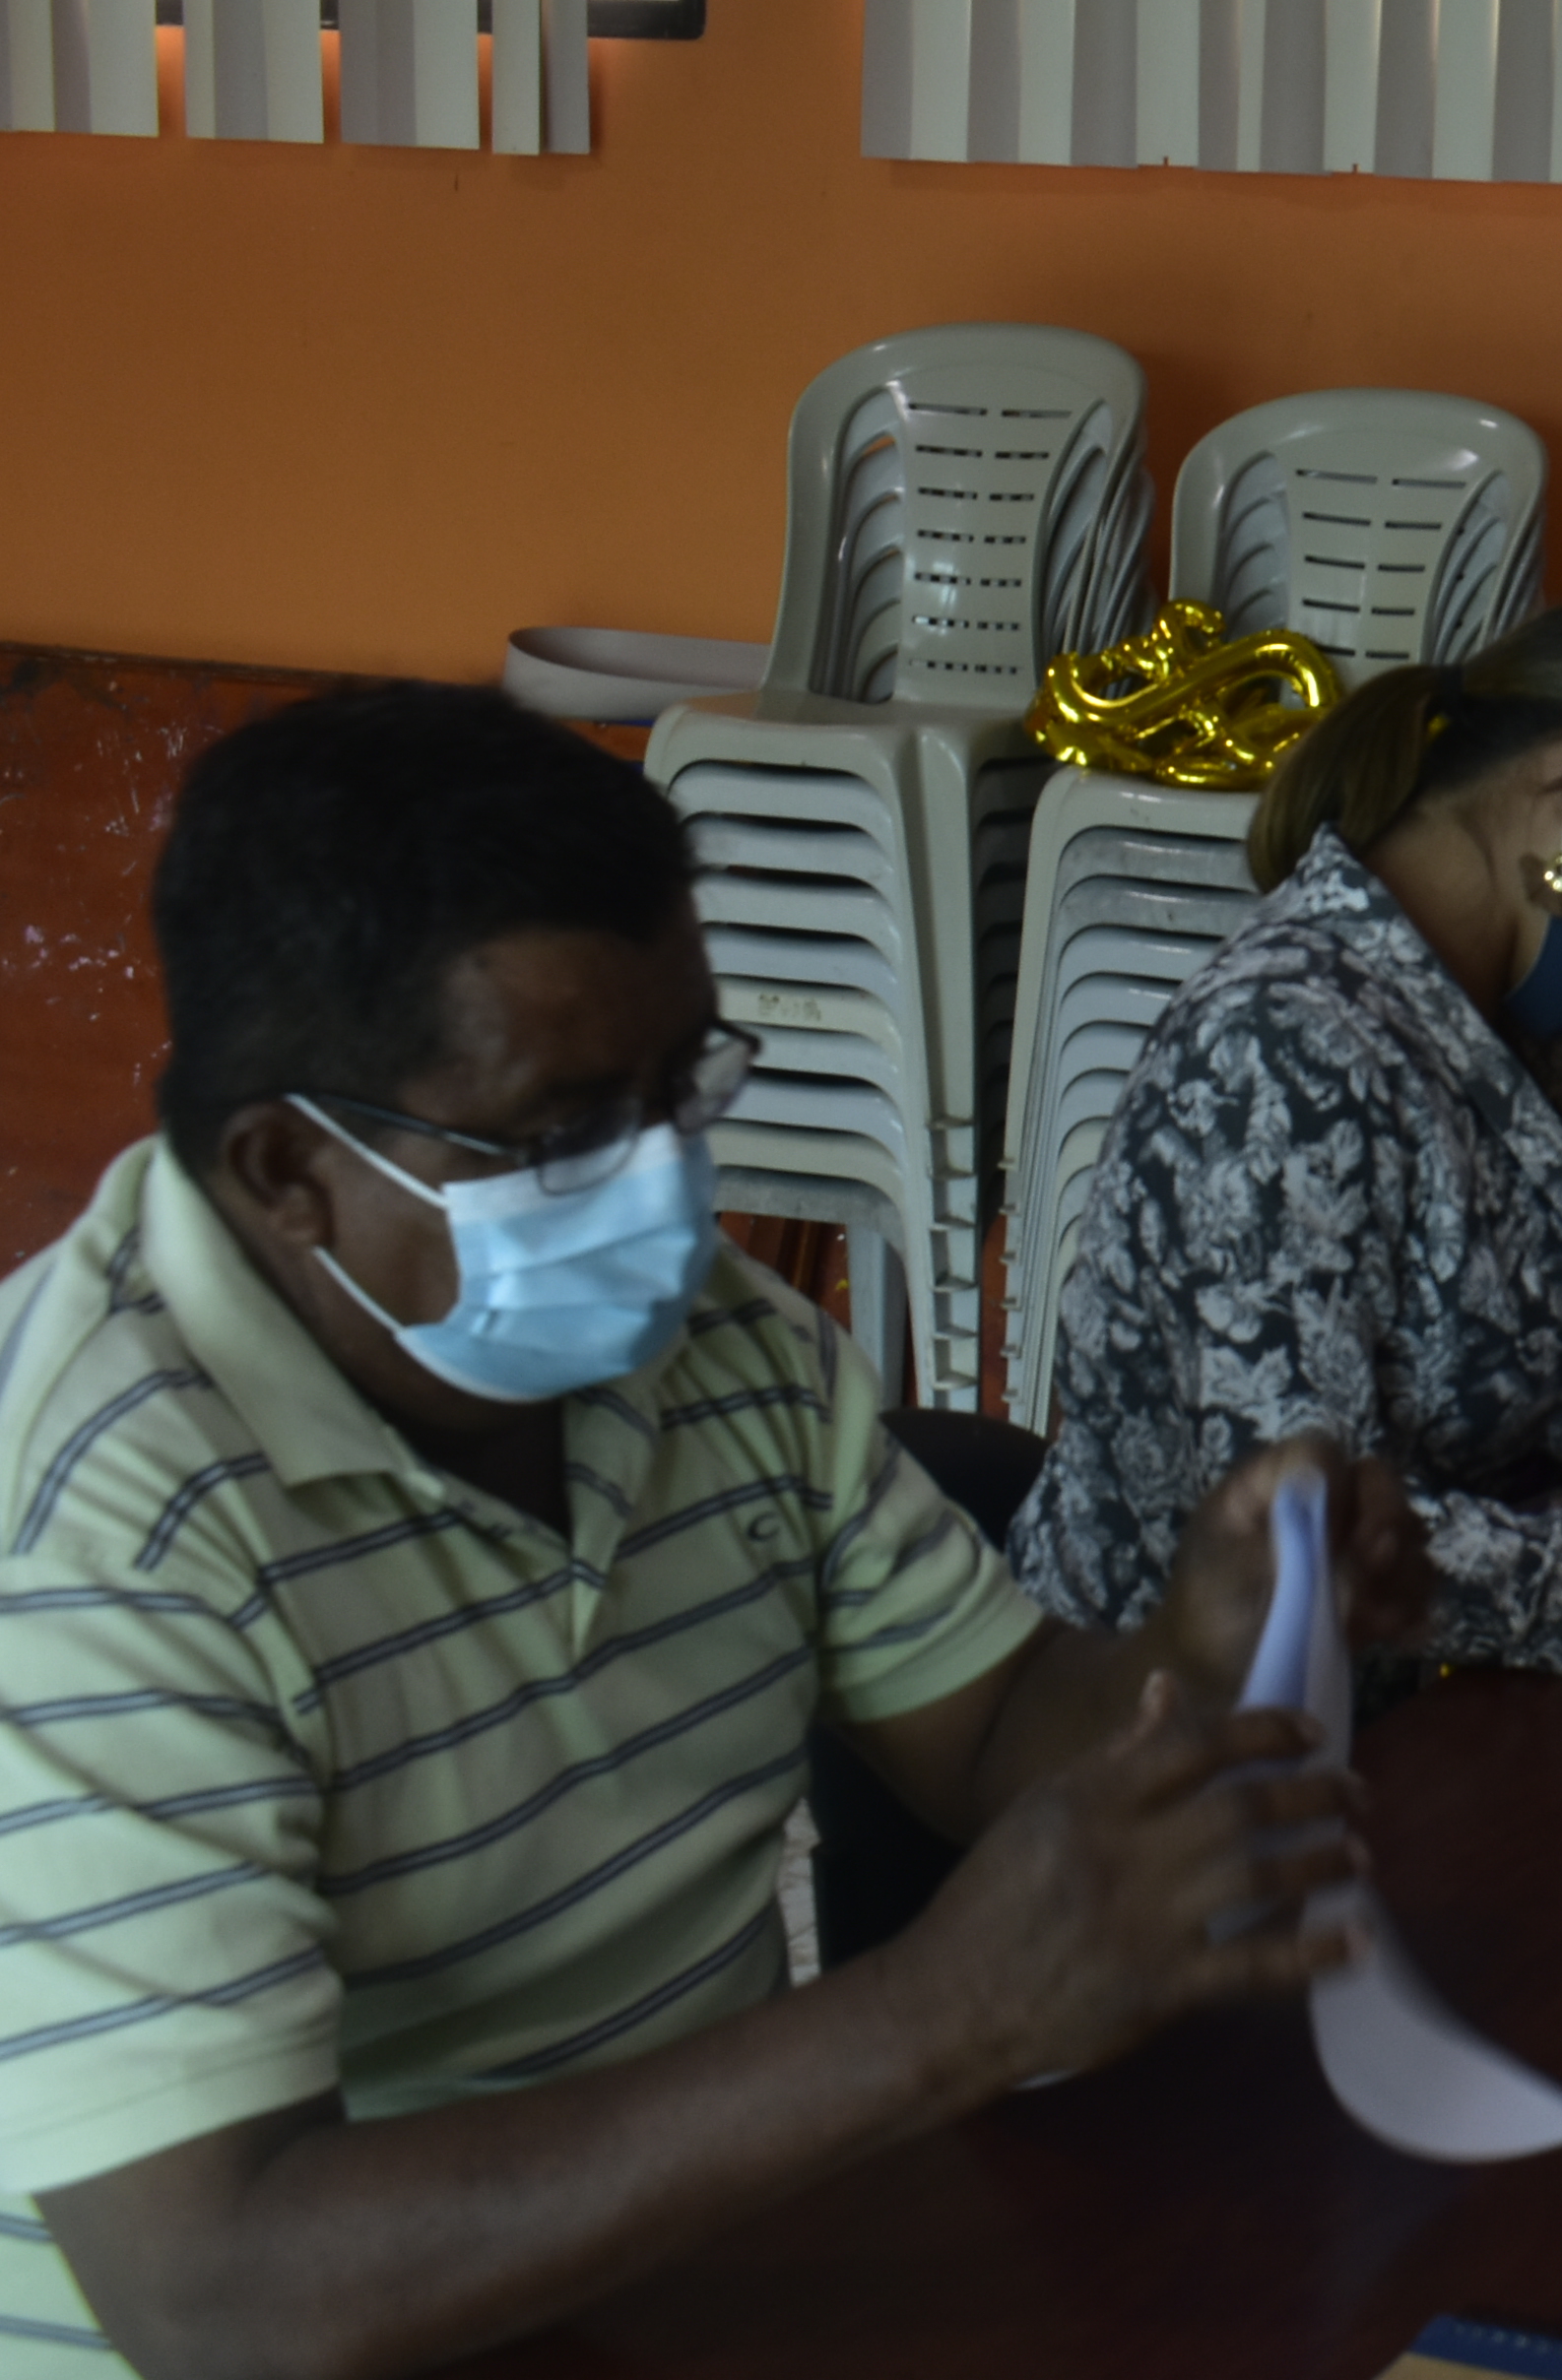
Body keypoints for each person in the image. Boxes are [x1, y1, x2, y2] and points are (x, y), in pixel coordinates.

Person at [0, 683, 1428, 2379]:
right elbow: (223, 2296)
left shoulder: (714, 1346)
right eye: (568, 1130)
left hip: (693, 2280)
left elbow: (991, 1737)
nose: (665, 1182)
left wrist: (1208, 1632)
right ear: (284, 1172)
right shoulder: (90, 1529)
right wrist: (930, 2021)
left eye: (685, 1083)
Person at [1009, 593, 1562, 1673]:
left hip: (1453, 1699)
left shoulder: (1498, 1015)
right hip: (1197, 1725)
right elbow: (1300, 1538)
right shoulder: (1277, 1051)